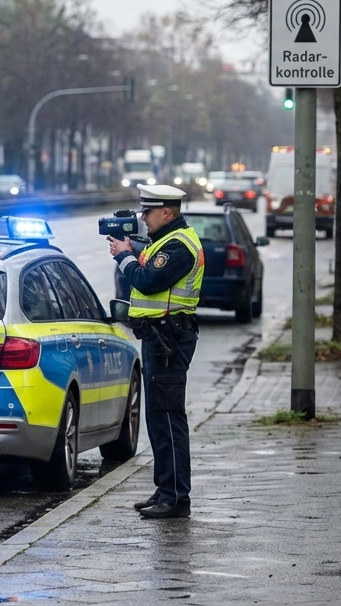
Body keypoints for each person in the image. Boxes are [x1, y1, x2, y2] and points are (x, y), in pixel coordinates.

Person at [106, 184, 204, 519]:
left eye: (147, 212)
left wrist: (123, 256)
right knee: (157, 419)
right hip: (160, 338)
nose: (142, 218)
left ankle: (176, 497)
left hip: (169, 340)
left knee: (168, 418)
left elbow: (147, 281)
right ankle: (165, 489)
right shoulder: (166, 241)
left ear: (166, 212)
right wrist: (133, 248)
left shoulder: (179, 246)